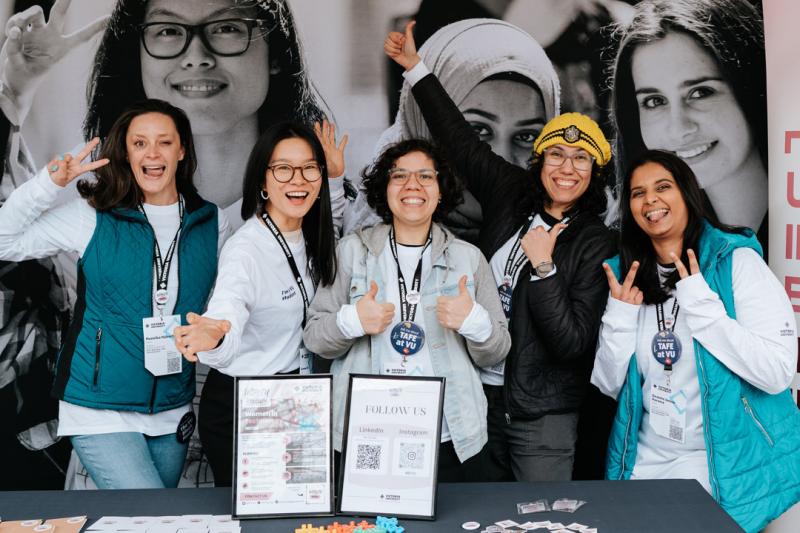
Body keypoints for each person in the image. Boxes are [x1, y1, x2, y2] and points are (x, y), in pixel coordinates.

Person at [383, 22, 616, 482]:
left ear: (594, 171)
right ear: (540, 160)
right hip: (477, 401)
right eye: (556, 155)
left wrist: (546, 269)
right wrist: (416, 68)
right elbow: (458, 139)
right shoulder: (509, 193)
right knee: (475, 517)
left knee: (540, 519)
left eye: (581, 159)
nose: (566, 169)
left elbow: (572, 343)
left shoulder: (595, 241)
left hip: (541, 416)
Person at [0, 98, 229, 489]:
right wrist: (49, 184)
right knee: (151, 518)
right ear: (126, 152)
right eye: (139, 143)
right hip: (98, 407)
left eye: (164, 142)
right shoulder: (92, 215)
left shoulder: (212, 222)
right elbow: (5, 241)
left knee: (152, 523)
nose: (152, 154)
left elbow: (226, 303)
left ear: (182, 150)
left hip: (173, 406)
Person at [591, 150, 800, 533]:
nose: (650, 200)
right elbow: (608, 385)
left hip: (717, 464)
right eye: (638, 193)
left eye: (663, 187)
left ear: (688, 194)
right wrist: (619, 317)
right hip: (646, 462)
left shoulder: (735, 262)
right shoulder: (628, 275)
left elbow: (776, 373)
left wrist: (703, 307)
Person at [2, 0, 345, 229]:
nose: (196, 57)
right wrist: (14, 96)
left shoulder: (335, 211)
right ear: (136, 57)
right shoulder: (89, 209)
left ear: (276, 53)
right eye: (168, 31)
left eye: (226, 28)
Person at [303, 139, 511, 481]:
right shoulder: (352, 251)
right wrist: (352, 320)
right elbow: (316, 338)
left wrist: (474, 323)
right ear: (384, 189)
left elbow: (497, 352)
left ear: (441, 190)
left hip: (450, 435)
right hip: (367, 431)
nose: (412, 185)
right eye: (399, 176)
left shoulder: (468, 258)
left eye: (426, 177)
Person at [172, 121, 339, 487]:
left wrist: (337, 179)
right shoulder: (246, 250)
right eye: (283, 168)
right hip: (245, 405)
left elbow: (335, 218)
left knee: (299, 514)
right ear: (263, 182)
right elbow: (229, 306)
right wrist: (214, 334)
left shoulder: (312, 234)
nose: (298, 179)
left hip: (296, 398)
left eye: (310, 168)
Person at [346, 18, 561, 243]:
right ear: (422, 126)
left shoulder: (574, 242)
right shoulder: (363, 256)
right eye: (476, 131)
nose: (500, 159)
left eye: (526, 137)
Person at [609, 0, 767, 248]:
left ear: (749, 87)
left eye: (700, 92)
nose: (678, 129)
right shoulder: (631, 250)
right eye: (655, 101)